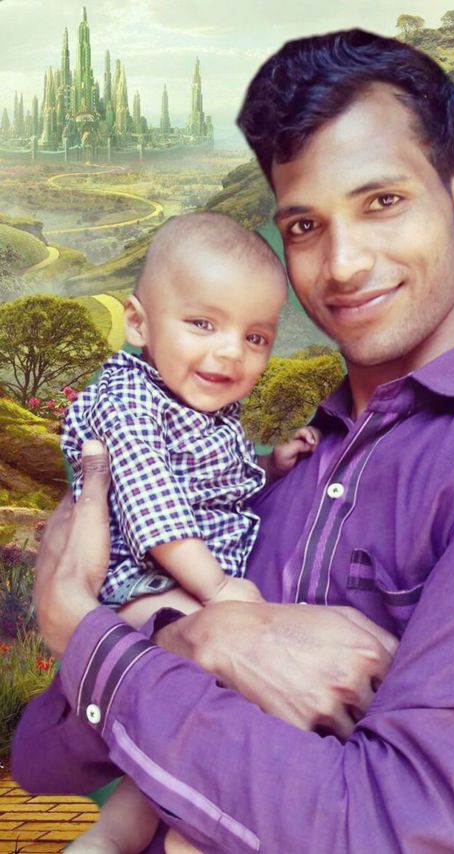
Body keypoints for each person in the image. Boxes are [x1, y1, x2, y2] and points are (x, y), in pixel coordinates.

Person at [12, 29, 454, 853]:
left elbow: (405, 832)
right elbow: (42, 754)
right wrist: (195, 638)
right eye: (306, 225)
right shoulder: (255, 478)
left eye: (382, 202)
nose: (342, 264)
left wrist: (78, 622)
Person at [59, 211, 319, 852]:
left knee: (203, 717)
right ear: (139, 323)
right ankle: (176, 832)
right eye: (203, 323)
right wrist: (220, 591)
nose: (230, 351)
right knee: (234, 690)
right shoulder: (129, 399)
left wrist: (270, 466)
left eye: (255, 337)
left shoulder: (198, 404)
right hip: (145, 584)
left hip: (180, 581)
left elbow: (215, 484)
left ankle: (136, 832)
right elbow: (155, 509)